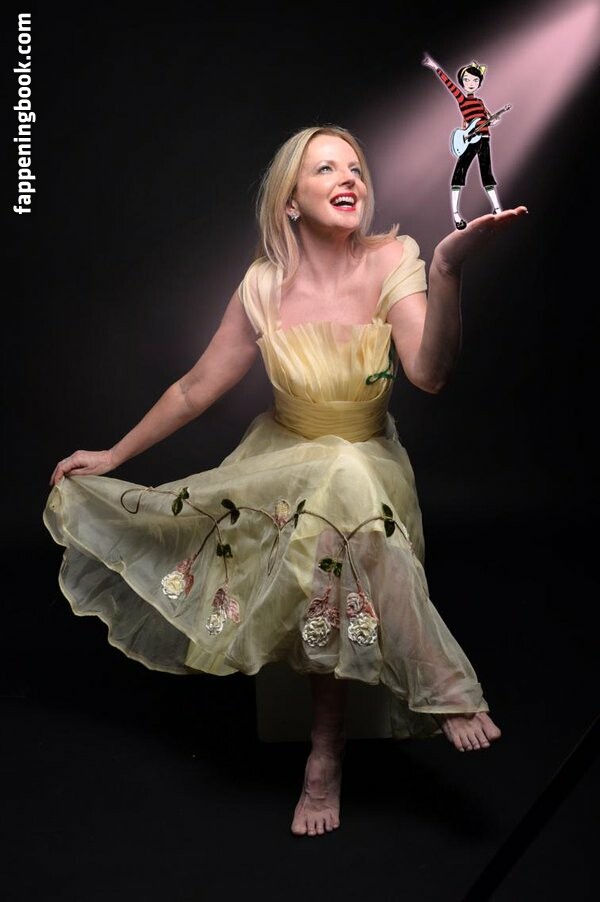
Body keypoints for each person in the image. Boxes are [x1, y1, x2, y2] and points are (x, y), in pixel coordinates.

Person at [45, 125, 527, 838]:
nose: (349, 177)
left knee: (346, 483)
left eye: (356, 167)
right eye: (326, 168)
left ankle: (325, 754)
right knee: (332, 492)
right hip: (284, 466)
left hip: (369, 465)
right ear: (290, 202)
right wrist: (114, 456)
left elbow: (429, 374)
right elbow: (194, 389)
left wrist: (449, 269)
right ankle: (430, 689)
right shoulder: (262, 286)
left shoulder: (395, 259)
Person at [422, 53, 505, 229]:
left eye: (475, 80)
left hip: (484, 139)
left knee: (487, 173)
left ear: (479, 83)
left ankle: (497, 209)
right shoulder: (462, 99)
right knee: (459, 173)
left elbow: (488, 118)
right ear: (462, 82)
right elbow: (449, 84)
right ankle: (456, 215)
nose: (471, 83)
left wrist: (494, 120)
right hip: (470, 140)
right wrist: (435, 66)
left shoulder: (480, 102)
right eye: (467, 80)